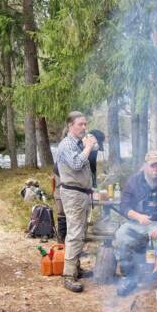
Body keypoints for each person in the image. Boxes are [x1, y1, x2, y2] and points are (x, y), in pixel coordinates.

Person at [56, 111, 98, 292]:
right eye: (80, 124)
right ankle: (68, 275)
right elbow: (76, 164)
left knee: (80, 232)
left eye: (85, 124)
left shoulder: (79, 143)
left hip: (82, 193)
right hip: (73, 194)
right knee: (74, 233)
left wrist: (91, 144)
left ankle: (75, 268)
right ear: (70, 126)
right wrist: (88, 147)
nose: (84, 127)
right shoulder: (66, 144)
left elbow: (91, 157)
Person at [114, 150, 157, 297]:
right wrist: (138, 216)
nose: (156, 168)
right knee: (121, 235)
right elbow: (124, 206)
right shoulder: (134, 181)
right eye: (152, 165)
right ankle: (129, 277)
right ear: (145, 166)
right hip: (137, 222)